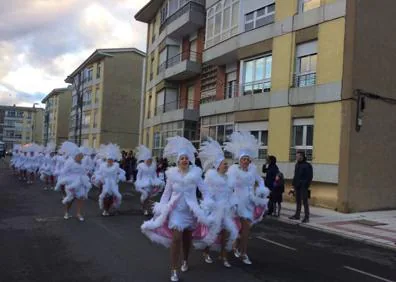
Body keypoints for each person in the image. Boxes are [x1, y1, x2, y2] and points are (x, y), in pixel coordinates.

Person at [141, 136, 212, 282]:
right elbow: (166, 194)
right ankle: (174, 269)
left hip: (190, 212)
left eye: (186, 158)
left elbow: (205, 191)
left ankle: (185, 260)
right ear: (178, 161)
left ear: (189, 160)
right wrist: (161, 208)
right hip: (176, 212)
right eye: (182, 159)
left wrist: (207, 205)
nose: (184, 161)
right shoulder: (172, 175)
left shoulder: (196, 174)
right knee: (176, 239)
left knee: (187, 240)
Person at [224, 131, 270, 265]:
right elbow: (229, 184)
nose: (245, 161)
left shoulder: (252, 171)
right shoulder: (234, 170)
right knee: (237, 228)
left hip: (249, 203)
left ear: (250, 161)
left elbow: (260, 180)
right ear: (240, 160)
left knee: (246, 231)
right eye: (243, 159)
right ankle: (235, 246)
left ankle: (243, 253)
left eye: (247, 159)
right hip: (237, 203)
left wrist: (261, 191)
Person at [195, 138, 239, 268]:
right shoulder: (211, 177)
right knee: (213, 233)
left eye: (227, 164)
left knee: (226, 234)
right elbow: (207, 194)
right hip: (215, 209)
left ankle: (224, 256)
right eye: (225, 164)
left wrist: (233, 203)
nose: (227, 165)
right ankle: (206, 252)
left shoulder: (229, 178)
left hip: (227, 210)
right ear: (218, 165)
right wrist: (210, 206)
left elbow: (231, 194)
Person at [55, 141, 92, 221]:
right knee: (70, 199)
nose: (80, 157)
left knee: (80, 198)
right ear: (75, 156)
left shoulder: (82, 163)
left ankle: (78, 213)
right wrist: (62, 181)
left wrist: (86, 178)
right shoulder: (69, 162)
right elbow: (63, 172)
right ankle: (67, 212)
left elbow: (84, 172)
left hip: (81, 182)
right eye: (79, 156)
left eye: (81, 156)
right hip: (71, 183)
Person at [96, 143, 126, 216]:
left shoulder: (116, 166)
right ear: (107, 159)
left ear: (113, 160)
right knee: (105, 197)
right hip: (105, 183)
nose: (110, 161)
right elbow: (98, 173)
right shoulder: (102, 166)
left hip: (113, 184)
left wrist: (119, 178)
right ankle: (105, 210)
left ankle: (107, 209)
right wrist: (100, 178)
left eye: (111, 160)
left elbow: (123, 172)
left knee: (112, 197)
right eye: (109, 160)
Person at [134, 145, 164, 216]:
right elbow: (139, 175)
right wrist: (138, 182)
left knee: (148, 197)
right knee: (145, 195)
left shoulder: (153, 166)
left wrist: (156, 181)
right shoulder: (141, 166)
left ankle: (145, 208)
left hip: (151, 183)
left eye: (150, 160)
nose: (149, 161)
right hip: (143, 183)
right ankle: (145, 209)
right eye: (148, 160)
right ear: (145, 160)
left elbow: (154, 175)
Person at [289, 151, 313, 223]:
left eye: (297, 156)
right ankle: (297, 215)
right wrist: (293, 185)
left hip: (303, 186)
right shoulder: (297, 165)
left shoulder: (307, 165)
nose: (296, 157)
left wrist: (306, 184)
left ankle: (306, 217)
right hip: (297, 186)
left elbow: (309, 177)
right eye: (296, 156)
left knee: (305, 202)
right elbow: (295, 175)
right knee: (298, 201)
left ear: (301, 156)